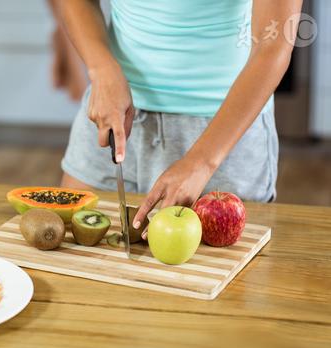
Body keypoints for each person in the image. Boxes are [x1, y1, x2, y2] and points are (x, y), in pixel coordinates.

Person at [56, 0, 302, 235]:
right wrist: (102, 69)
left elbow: (273, 47)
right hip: (115, 115)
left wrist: (202, 162)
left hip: (222, 135)